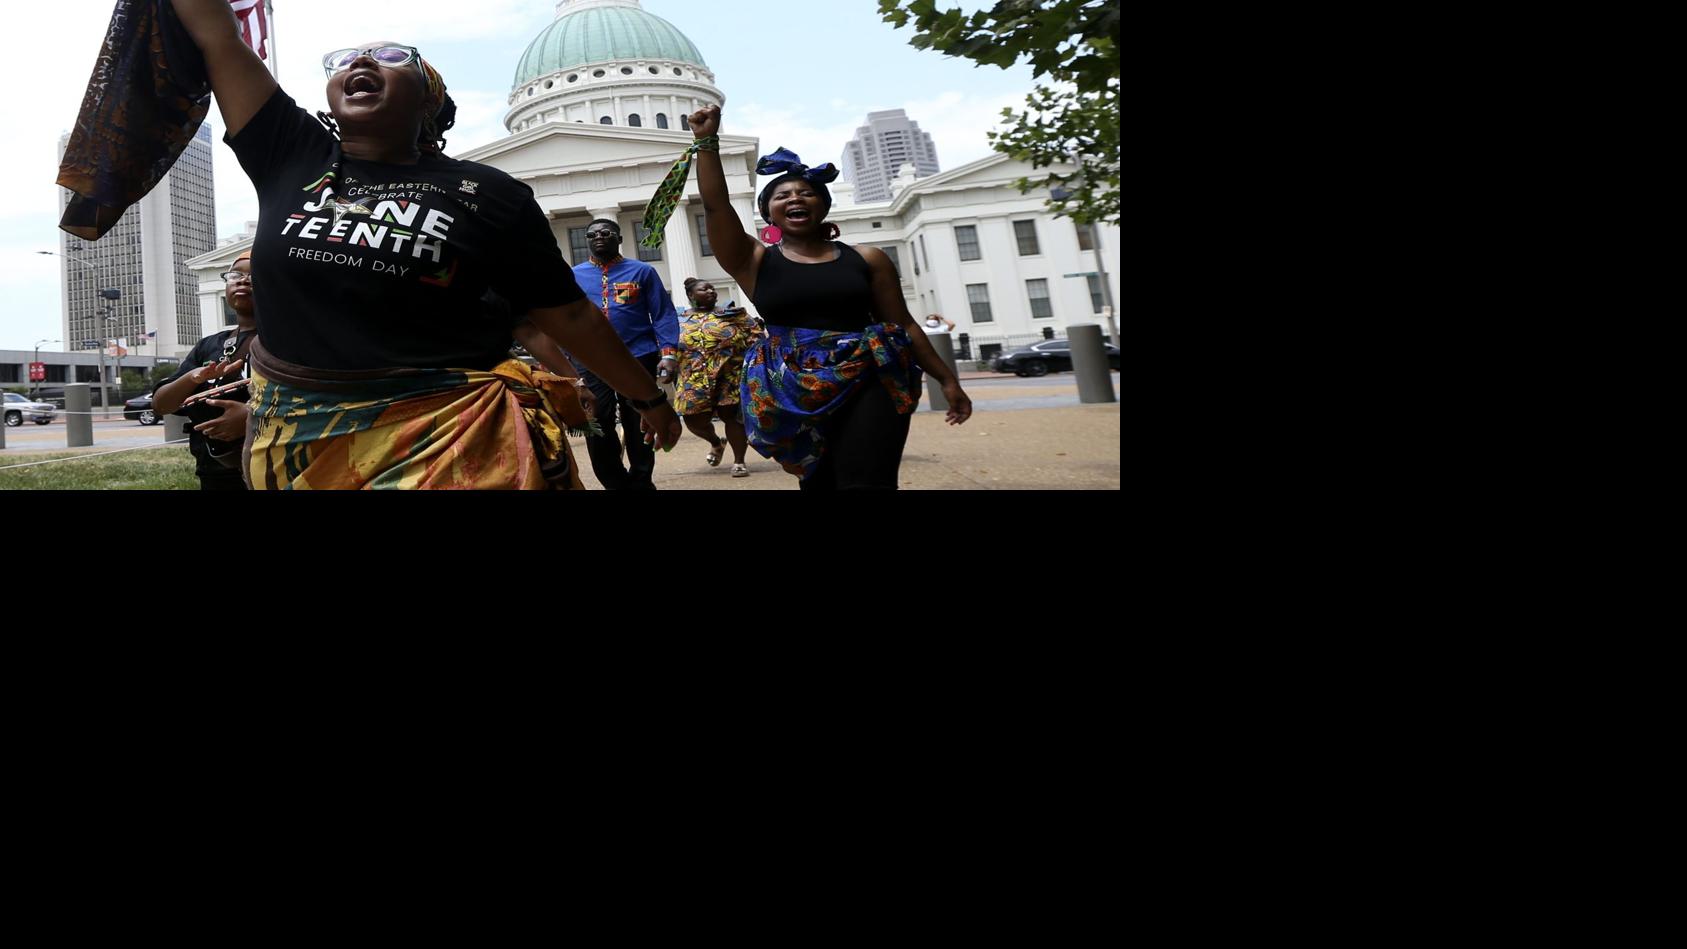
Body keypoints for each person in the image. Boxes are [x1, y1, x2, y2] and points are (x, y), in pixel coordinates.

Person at [164, 0, 680, 489]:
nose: (362, 59)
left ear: (427, 96)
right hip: (300, 437)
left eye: (393, 56)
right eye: (344, 61)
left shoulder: (491, 194)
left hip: (451, 435)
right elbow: (219, 38)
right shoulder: (291, 153)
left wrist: (648, 398)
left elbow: (569, 318)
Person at [675, 105, 972, 490]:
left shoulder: (868, 258)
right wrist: (706, 143)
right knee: (819, 481)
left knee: (868, 478)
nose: (796, 197)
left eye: (807, 193)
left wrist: (946, 379)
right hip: (793, 388)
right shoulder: (753, 260)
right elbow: (716, 206)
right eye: (783, 194)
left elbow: (903, 325)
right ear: (768, 212)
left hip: (870, 376)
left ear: (822, 206)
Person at [568, 219, 682, 491]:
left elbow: (663, 314)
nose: (599, 237)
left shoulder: (642, 271)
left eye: (606, 233)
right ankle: (616, 483)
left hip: (638, 356)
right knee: (597, 422)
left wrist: (668, 353)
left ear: (619, 238)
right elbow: (566, 318)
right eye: (592, 234)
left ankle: (642, 481)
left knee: (640, 422)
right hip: (591, 361)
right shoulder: (573, 275)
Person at [150, 250, 257, 491]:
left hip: (276, 467)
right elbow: (161, 405)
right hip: (215, 470)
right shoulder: (209, 345)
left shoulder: (291, 341)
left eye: (255, 274)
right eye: (235, 275)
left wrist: (251, 417)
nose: (243, 280)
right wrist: (191, 377)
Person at [675, 278, 761, 478]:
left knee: (732, 418)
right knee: (693, 421)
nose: (711, 291)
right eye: (704, 289)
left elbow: (756, 334)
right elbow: (666, 343)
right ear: (690, 295)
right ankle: (716, 442)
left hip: (729, 376)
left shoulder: (733, 315)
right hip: (692, 379)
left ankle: (739, 461)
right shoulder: (677, 319)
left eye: (712, 288)